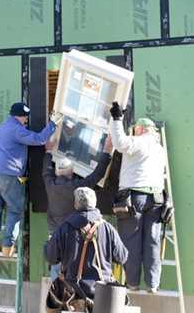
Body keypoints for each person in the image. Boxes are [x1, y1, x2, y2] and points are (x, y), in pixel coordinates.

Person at [0, 102, 62, 256]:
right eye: (25, 116)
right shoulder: (16, 130)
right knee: (15, 210)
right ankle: (8, 247)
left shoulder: (4, 126)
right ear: (19, 116)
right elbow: (39, 139)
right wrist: (53, 124)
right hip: (9, 175)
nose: (26, 119)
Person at [109, 102, 166, 293]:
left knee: (131, 242)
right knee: (152, 242)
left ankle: (132, 283)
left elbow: (119, 143)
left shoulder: (140, 141)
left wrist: (117, 119)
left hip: (135, 198)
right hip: (157, 199)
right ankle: (153, 284)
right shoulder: (159, 149)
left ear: (140, 129)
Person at [42, 136, 113, 280]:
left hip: (54, 232)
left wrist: (48, 151)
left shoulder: (50, 184)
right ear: (71, 172)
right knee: (72, 267)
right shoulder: (75, 187)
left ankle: (56, 296)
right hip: (70, 233)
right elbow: (97, 175)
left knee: (56, 269)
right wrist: (107, 151)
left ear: (57, 172)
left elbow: (46, 170)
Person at [44, 187, 128, 301]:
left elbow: (51, 258)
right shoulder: (108, 228)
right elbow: (122, 257)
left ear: (75, 204)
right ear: (95, 203)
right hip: (103, 292)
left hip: (73, 293)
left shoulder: (64, 228)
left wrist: (48, 244)